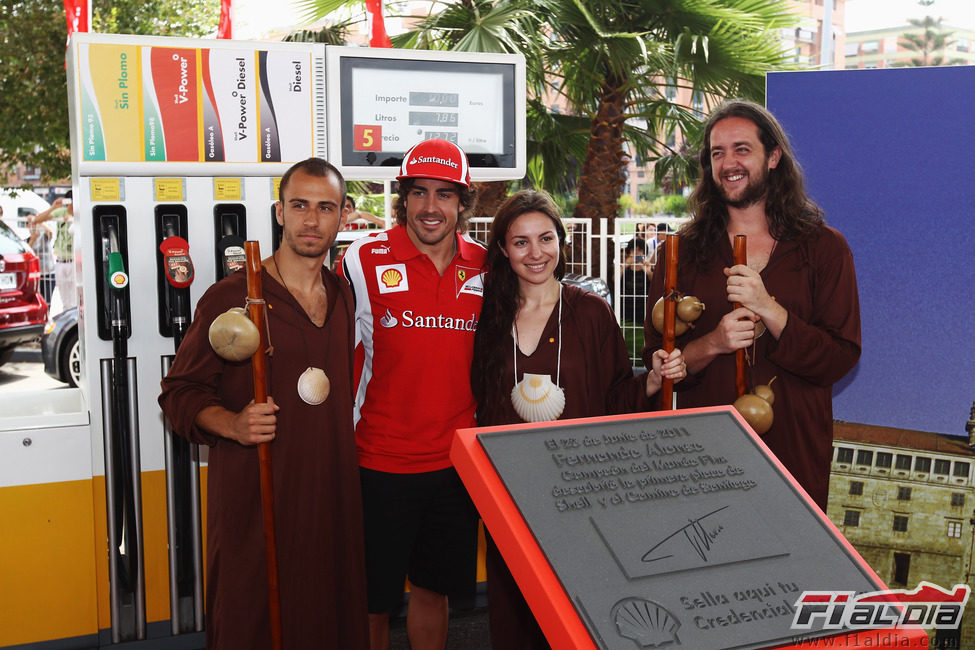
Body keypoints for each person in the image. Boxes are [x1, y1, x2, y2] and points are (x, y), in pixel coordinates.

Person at [158, 158, 369, 649]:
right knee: (254, 619)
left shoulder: (343, 296)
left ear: (344, 217)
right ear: (279, 212)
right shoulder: (233, 298)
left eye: (325, 208)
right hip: (259, 499)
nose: (311, 220)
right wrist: (232, 424)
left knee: (327, 617)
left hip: (331, 497)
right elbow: (179, 393)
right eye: (299, 205)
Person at [470, 189, 686, 649]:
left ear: (561, 243)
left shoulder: (590, 312)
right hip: (511, 487)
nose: (535, 253)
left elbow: (614, 395)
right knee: (514, 605)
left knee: (579, 608)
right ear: (503, 249)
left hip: (582, 489)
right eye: (521, 242)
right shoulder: (486, 316)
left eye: (545, 239)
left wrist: (652, 380)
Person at [642, 99, 861, 510]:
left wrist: (770, 309)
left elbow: (840, 358)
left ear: (774, 156)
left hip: (793, 459)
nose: (729, 163)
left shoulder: (825, 247)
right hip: (703, 458)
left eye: (742, 149)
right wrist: (713, 344)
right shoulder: (680, 253)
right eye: (717, 153)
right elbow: (658, 359)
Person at [340, 138, 486, 650]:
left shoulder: (487, 267)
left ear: (463, 202)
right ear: (402, 198)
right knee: (372, 599)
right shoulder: (361, 260)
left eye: (445, 195)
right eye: (419, 193)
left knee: (433, 591)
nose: (430, 207)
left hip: (455, 465)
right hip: (377, 460)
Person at [30, 191, 76, 311]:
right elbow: (37, 220)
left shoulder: (80, 215)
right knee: (65, 300)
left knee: (76, 298)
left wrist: (73, 218)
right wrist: (53, 207)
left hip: (76, 260)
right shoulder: (62, 212)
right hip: (61, 260)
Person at [619, 236, 650, 324]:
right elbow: (615, 280)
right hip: (625, 308)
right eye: (633, 250)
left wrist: (645, 269)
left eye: (640, 250)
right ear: (629, 252)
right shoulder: (623, 267)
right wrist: (625, 265)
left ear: (644, 252)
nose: (636, 253)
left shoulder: (647, 266)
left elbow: (653, 280)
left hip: (643, 308)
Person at [27, 213, 55, 304]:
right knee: (36, 301)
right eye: (30, 223)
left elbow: (50, 232)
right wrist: (32, 239)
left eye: (34, 223)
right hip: (35, 276)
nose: (33, 225)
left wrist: (39, 220)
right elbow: (27, 253)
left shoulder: (45, 236)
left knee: (47, 301)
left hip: (48, 274)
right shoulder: (27, 240)